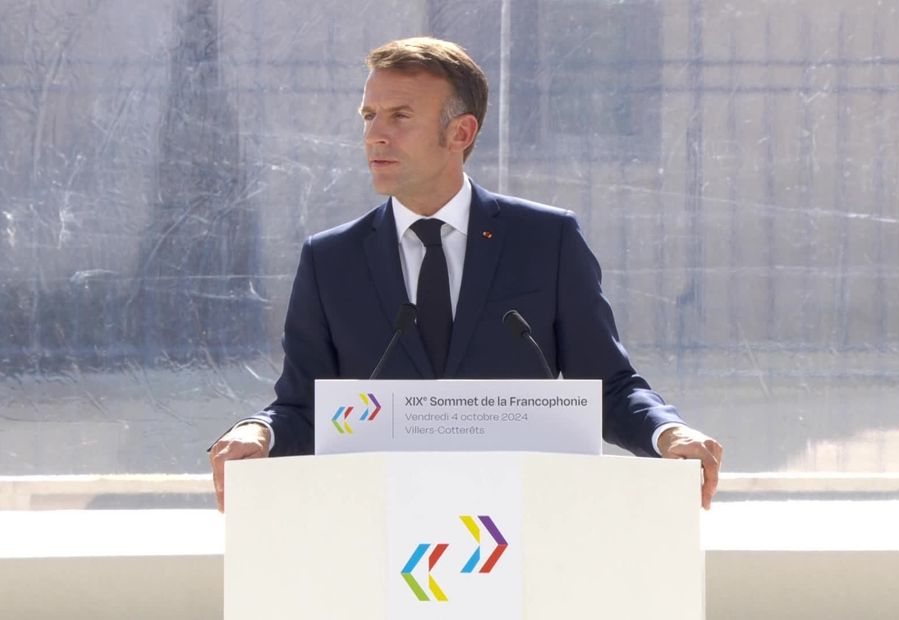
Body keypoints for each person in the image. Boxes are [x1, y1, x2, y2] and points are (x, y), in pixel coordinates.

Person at [209, 37, 722, 512]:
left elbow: (607, 387)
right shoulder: (330, 259)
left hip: (524, 523)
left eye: (399, 116)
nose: (374, 135)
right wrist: (258, 431)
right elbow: (303, 407)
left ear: (461, 132)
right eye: (368, 115)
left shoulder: (547, 240)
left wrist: (667, 433)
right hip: (381, 528)